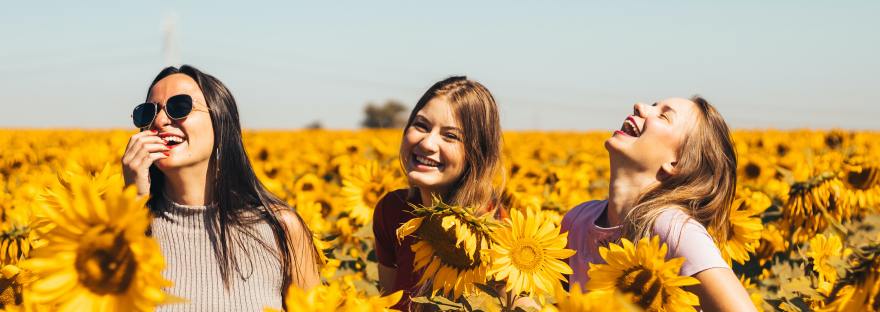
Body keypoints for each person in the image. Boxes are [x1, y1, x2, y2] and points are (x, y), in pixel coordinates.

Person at [121, 65, 320, 311]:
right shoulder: (116, 233)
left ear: (220, 122)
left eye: (180, 106)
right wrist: (131, 205)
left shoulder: (280, 229)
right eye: (148, 113)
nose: (160, 121)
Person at [561, 97, 756, 311]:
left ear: (676, 164)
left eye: (663, 115)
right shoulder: (577, 221)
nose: (639, 106)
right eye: (652, 105)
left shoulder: (674, 229)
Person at [372, 76, 505, 310]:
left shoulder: (495, 225)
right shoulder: (393, 210)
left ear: (476, 154)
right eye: (421, 125)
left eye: (451, 136)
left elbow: (513, 302)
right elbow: (389, 302)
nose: (427, 143)